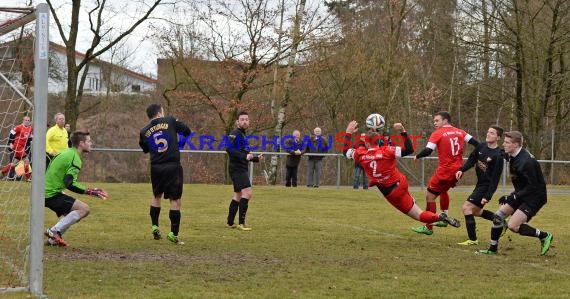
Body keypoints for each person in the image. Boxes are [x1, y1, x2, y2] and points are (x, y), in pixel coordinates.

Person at [344, 120, 461, 228]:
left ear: (366, 144)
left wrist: (349, 133)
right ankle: (413, 201)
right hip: (401, 182)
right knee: (411, 201)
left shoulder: (360, 154)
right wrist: (402, 131)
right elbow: (409, 149)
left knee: (419, 215)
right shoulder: (387, 150)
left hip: (392, 192)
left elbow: (346, 151)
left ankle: (440, 217)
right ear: (379, 141)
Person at [478, 131, 553, 255]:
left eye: (507, 143)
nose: (504, 144)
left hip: (535, 196)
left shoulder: (526, 162)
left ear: (516, 145)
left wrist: (513, 196)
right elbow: (503, 154)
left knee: (513, 226)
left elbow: (532, 186)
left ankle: (544, 236)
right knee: (498, 216)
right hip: (521, 192)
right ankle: (492, 249)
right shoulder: (513, 154)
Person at [412, 111, 478, 235]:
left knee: (430, 197)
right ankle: (444, 216)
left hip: (444, 171)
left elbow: (428, 150)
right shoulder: (460, 131)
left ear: (445, 121)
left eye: (437, 120)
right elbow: (476, 143)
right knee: (443, 191)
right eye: (434, 121)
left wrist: (418, 156)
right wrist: (477, 156)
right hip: (458, 171)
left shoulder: (437, 133)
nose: (435, 123)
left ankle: (428, 227)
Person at [44, 131, 108, 247]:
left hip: (47, 191)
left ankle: (53, 240)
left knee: (74, 214)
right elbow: (70, 184)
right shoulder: (75, 158)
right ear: (81, 143)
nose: (91, 143)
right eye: (89, 141)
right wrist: (91, 191)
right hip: (51, 194)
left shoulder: (68, 152)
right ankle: (54, 231)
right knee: (84, 209)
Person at [139, 104, 191, 245]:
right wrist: (180, 144)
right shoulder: (170, 121)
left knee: (156, 196)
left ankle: (155, 226)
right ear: (159, 113)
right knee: (175, 200)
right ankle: (173, 234)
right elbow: (187, 130)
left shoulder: (144, 131)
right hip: (172, 165)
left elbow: (145, 149)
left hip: (156, 167)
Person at [455, 125, 504, 245]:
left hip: (486, 186)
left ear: (498, 137)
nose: (488, 134)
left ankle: (472, 240)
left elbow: (495, 179)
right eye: (488, 132)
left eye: (492, 133)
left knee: (466, 207)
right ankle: (500, 220)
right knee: (476, 211)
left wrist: (488, 196)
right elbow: (472, 160)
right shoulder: (481, 146)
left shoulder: (498, 155)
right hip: (479, 184)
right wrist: (462, 169)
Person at [226, 111, 264, 231]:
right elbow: (228, 149)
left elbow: (245, 153)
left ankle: (230, 222)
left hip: (240, 168)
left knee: (238, 195)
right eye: (242, 119)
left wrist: (256, 158)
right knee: (247, 193)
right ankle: (241, 223)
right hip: (237, 169)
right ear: (237, 121)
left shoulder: (243, 135)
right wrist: (244, 157)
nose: (244, 121)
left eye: (246, 119)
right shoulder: (235, 133)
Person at [2, 116, 33, 180]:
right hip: (17, 146)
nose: (27, 121)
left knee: (14, 164)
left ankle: (2, 172)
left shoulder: (30, 128)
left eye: (28, 120)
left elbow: (29, 138)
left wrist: (31, 141)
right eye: (26, 120)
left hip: (22, 147)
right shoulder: (18, 127)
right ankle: (28, 178)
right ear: (23, 121)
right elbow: (11, 133)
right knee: (26, 161)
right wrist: (10, 143)